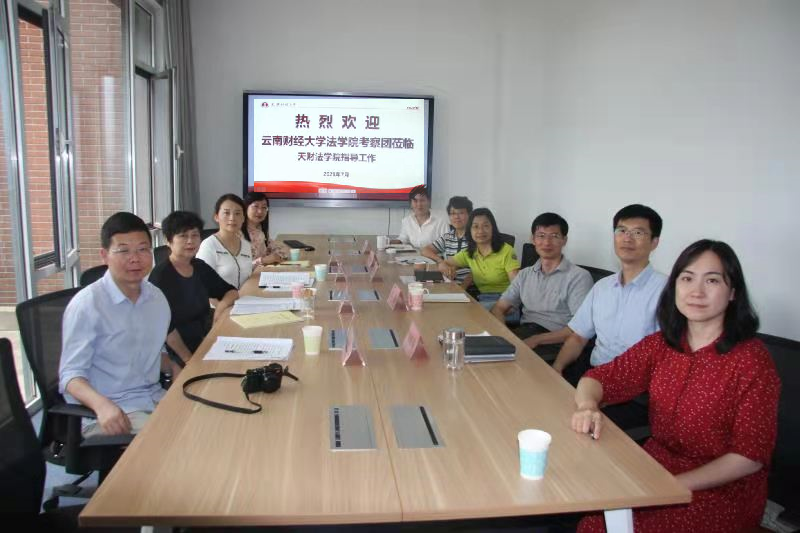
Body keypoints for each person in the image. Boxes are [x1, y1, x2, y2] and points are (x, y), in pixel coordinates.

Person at [571, 240, 780, 533]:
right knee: (585, 502)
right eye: (687, 278)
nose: (697, 291)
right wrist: (587, 407)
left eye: (712, 280)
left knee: (602, 526)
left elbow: (749, 457)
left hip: (721, 489)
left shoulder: (752, 361)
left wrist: (670, 485)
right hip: (656, 466)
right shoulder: (663, 345)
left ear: (733, 292)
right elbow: (597, 379)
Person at [59, 212, 170, 437]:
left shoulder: (156, 298)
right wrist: (102, 406)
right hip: (112, 411)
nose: (135, 258)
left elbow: (157, 353)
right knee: (178, 441)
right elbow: (70, 376)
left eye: (143, 249)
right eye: (123, 250)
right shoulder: (87, 305)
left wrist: (182, 373)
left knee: (209, 422)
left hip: (153, 398)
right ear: (104, 255)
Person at [490, 213, 593, 357]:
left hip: (557, 342)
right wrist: (505, 334)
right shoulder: (525, 274)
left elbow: (580, 329)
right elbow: (499, 308)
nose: (547, 242)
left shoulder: (579, 277)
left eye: (554, 236)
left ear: (564, 240)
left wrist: (537, 339)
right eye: (541, 236)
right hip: (525, 333)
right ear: (533, 239)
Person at [149, 211, 238, 374]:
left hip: (205, 341)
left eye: (195, 235)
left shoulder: (198, 266)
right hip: (178, 353)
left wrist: (220, 308)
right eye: (183, 236)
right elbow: (166, 329)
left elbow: (231, 291)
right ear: (168, 240)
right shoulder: (161, 276)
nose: (190, 241)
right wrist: (189, 360)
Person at [444, 207, 520, 309]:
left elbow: (516, 287)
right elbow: (444, 263)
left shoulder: (506, 251)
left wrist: (501, 308)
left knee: (461, 311)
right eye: (475, 226)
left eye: (486, 226)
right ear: (469, 230)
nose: (480, 231)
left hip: (505, 301)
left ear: (493, 228)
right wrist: (449, 269)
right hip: (483, 299)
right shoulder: (469, 252)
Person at [197, 193, 253, 288]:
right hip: (219, 298)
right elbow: (201, 285)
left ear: (243, 218)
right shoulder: (209, 245)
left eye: (237, 213)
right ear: (216, 217)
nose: (232, 218)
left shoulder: (246, 246)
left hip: (245, 296)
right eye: (226, 213)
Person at [421, 195, 473, 284]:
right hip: (448, 282)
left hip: (467, 286)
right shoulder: (448, 237)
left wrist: (451, 268)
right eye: (452, 213)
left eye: (461, 213)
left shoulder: (476, 237)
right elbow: (425, 250)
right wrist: (441, 262)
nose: (456, 217)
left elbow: (477, 270)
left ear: (470, 215)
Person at [242, 192, 286, 266]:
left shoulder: (260, 229)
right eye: (256, 206)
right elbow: (239, 267)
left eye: (264, 207)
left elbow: (274, 248)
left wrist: (277, 255)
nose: (260, 211)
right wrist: (263, 260)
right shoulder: (237, 232)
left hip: (263, 270)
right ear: (245, 207)